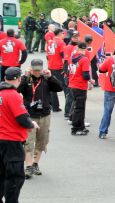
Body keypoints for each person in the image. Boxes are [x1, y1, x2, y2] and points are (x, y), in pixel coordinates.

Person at [18, 59, 62, 179]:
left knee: (42, 141)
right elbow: (17, 90)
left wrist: (51, 76)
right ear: (31, 68)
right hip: (30, 116)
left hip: (44, 115)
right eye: (35, 70)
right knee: (28, 142)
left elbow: (59, 88)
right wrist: (24, 77)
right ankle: (28, 167)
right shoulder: (27, 79)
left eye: (39, 70)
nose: (37, 72)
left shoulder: (46, 79)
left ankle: (35, 163)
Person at [0, 67, 38, 202]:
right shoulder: (13, 95)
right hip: (11, 141)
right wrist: (32, 124)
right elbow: (22, 118)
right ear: (18, 79)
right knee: (14, 178)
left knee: (1, 175)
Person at [68, 42, 92, 135]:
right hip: (80, 85)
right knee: (79, 108)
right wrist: (91, 80)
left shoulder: (71, 58)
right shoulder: (84, 59)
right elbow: (85, 75)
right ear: (84, 49)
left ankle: (81, 126)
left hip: (73, 83)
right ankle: (76, 128)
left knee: (78, 106)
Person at [46, 28, 66, 112]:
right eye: (63, 33)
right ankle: (69, 107)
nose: (64, 35)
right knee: (66, 86)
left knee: (52, 87)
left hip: (51, 66)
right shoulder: (61, 42)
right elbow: (63, 55)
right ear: (60, 34)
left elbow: (47, 55)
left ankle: (54, 106)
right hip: (59, 67)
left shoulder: (50, 42)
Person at [63, 31, 79, 119]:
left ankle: (72, 112)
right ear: (71, 38)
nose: (77, 38)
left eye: (78, 37)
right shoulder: (68, 47)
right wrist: (68, 75)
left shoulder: (77, 47)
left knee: (73, 95)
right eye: (75, 37)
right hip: (70, 74)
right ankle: (67, 112)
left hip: (75, 74)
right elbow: (66, 63)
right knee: (70, 94)